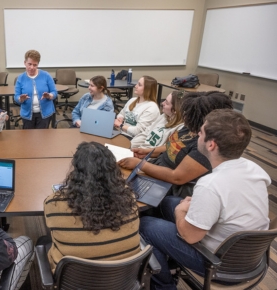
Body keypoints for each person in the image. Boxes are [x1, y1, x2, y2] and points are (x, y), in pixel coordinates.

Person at [140, 109, 270, 290]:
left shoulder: (209, 185)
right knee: (167, 202)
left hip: (218, 263)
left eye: (200, 133)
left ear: (211, 145)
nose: (196, 135)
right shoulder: (255, 169)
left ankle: (164, 286)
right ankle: (167, 256)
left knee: (146, 225)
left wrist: (180, 212)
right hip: (250, 258)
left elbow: (190, 236)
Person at [43, 142, 140, 272]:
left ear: (76, 170)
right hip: (124, 277)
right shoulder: (129, 198)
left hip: (74, 281)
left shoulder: (53, 204)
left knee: (43, 241)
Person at [118, 91, 233, 197]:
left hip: (168, 185)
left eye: (188, 113)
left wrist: (140, 164)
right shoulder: (189, 128)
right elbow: (172, 147)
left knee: (121, 192)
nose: (184, 115)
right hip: (154, 168)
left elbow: (177, 177)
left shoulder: (204, 145)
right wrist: (148, 152)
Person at [14, 49, 57, 129]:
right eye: (29, 64)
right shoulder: (20, 78)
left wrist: (50, 95)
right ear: (25, 63)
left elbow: (54, 92)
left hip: (45, 114)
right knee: (29, 139)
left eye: (35, 65)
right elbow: (16, 96)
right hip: (27, 114)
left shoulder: (46, 75)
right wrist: (20, 98)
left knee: (42, 139)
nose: (32, 67)